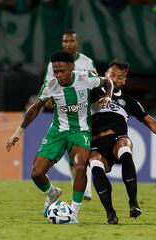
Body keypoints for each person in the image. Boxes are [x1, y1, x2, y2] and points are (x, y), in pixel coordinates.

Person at [6, 50, 114, 224]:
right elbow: (34, 108)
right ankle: (52, 193)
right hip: (57, 130)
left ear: (71, 67)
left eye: (62, 71)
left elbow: (108, 81)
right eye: (55, 71)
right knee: (36, 173)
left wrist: (108, 95)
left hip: (80, 131)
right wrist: (18, 132)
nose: (58, 75)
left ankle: (74, 214)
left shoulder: (85, 78)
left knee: (80, 166)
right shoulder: (50, 85)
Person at [89, 59, 156, 224]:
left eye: (119, 77)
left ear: (124, 80)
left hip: (117, 139)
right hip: (96, 142)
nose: (114, 79)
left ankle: (133, 202)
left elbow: (151, 122)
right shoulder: (92, 93)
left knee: (124, 148)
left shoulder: (129, 101)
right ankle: (110, 214)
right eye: (112, 75)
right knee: (95, 165)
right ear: (105, 74)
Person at [45, 29, 97, 201]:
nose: (68, 44)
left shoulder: (86, 62)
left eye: (71, 41)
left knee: (82, 152)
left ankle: (86, 186)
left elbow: (96, 84)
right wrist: (49, 99)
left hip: (84, 114)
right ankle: (77, 181)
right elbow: (49, 85)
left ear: (77, 43)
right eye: (65, 41)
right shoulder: (53, 64)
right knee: (70, 153)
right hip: (64, 114)